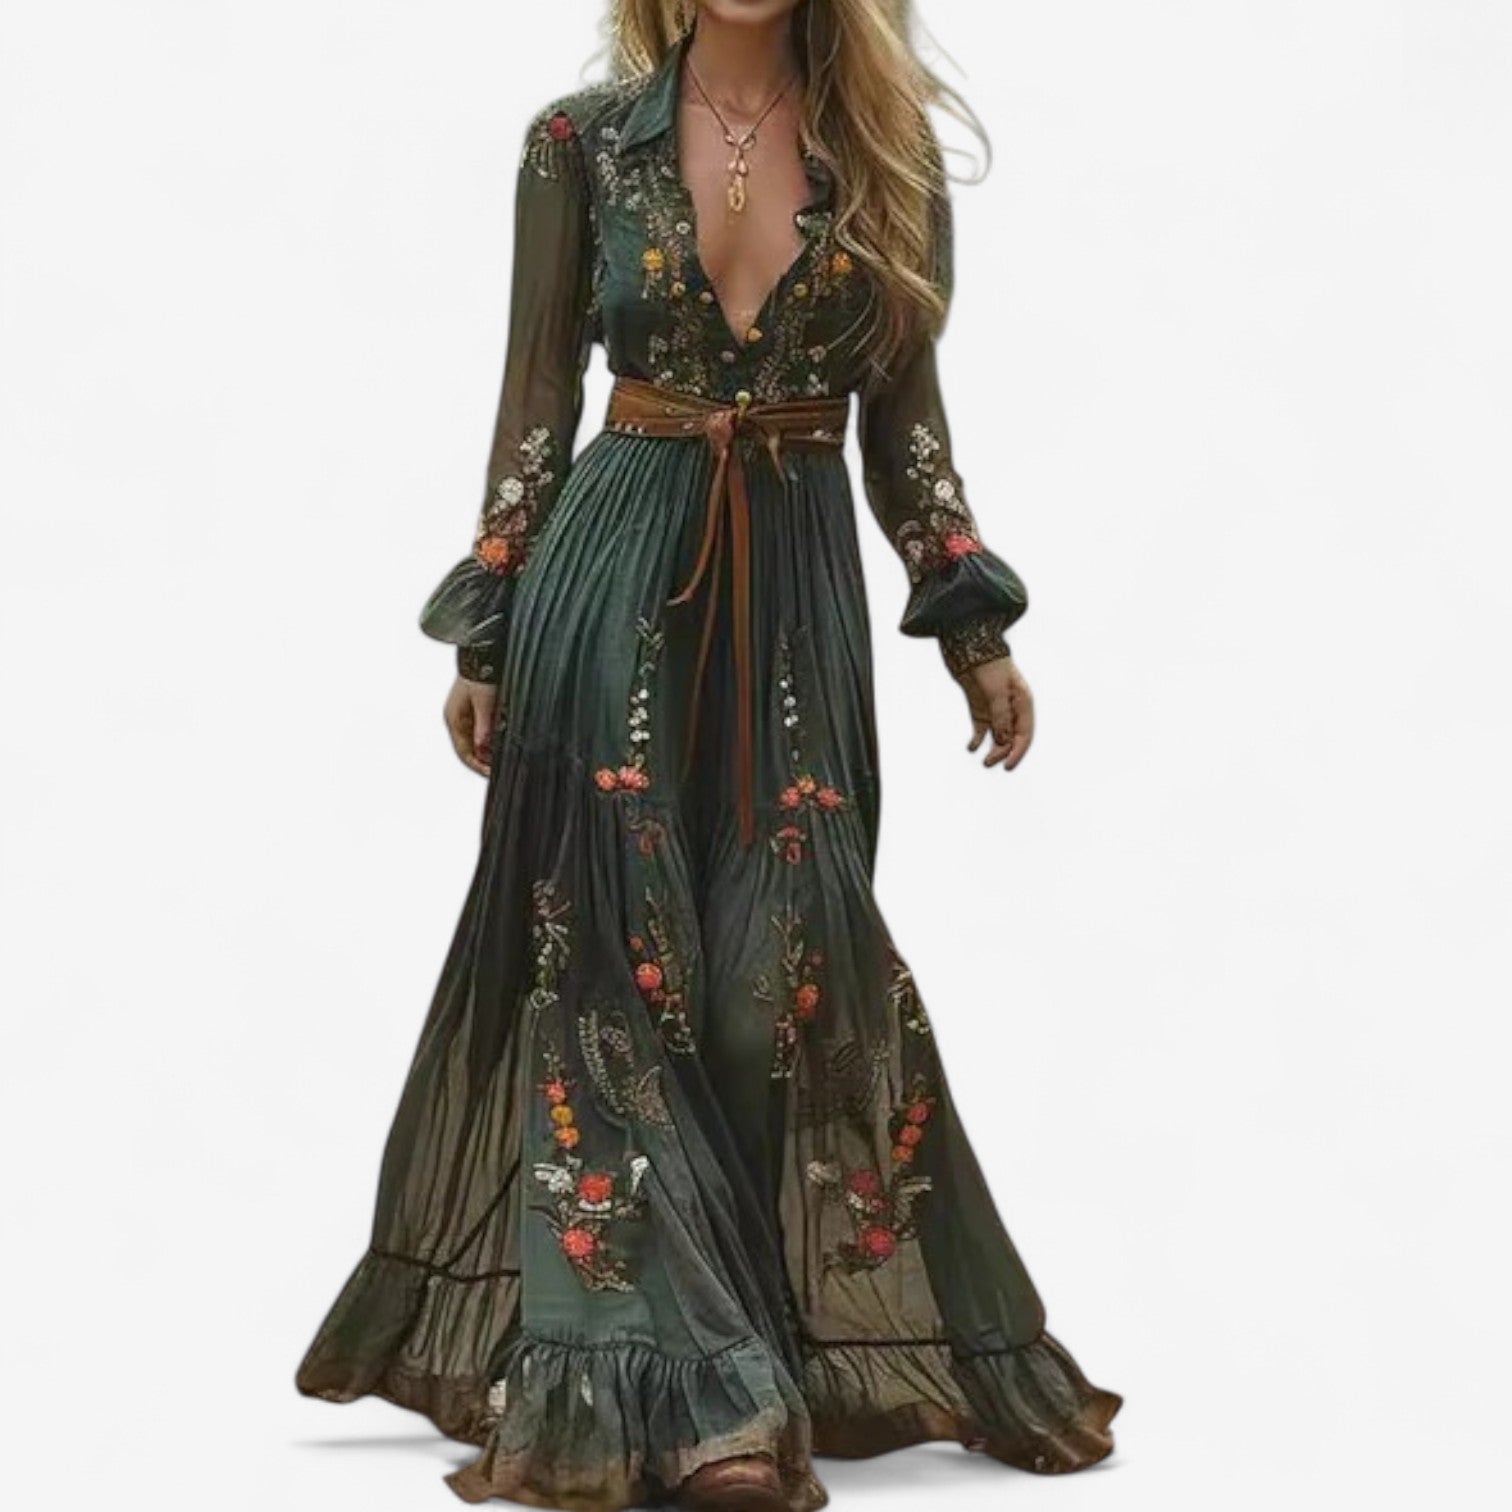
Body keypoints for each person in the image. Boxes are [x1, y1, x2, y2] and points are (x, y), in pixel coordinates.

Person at [295, 3, 1122, 1508]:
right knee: (613, 976)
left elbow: (906, 422)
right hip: (611, 583)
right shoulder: (574, 147)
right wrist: (489, 626)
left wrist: (970, 623)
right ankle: (700, 1400)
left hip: (797, 596)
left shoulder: (889, 154)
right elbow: (535, 400)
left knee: (771, 978)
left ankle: (734, 1350)